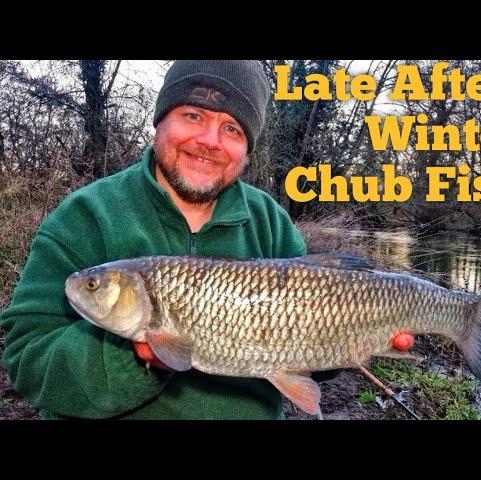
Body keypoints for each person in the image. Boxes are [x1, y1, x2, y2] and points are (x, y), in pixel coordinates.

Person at [0, 60, 334, 420]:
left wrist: (356, 335)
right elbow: (27, 359)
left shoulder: (271, 223)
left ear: (247, 150)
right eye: (193, 116)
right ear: (160, 121)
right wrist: (133, 355)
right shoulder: (85, 216)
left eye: (232, 128)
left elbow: (310, 357)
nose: (210, 141)